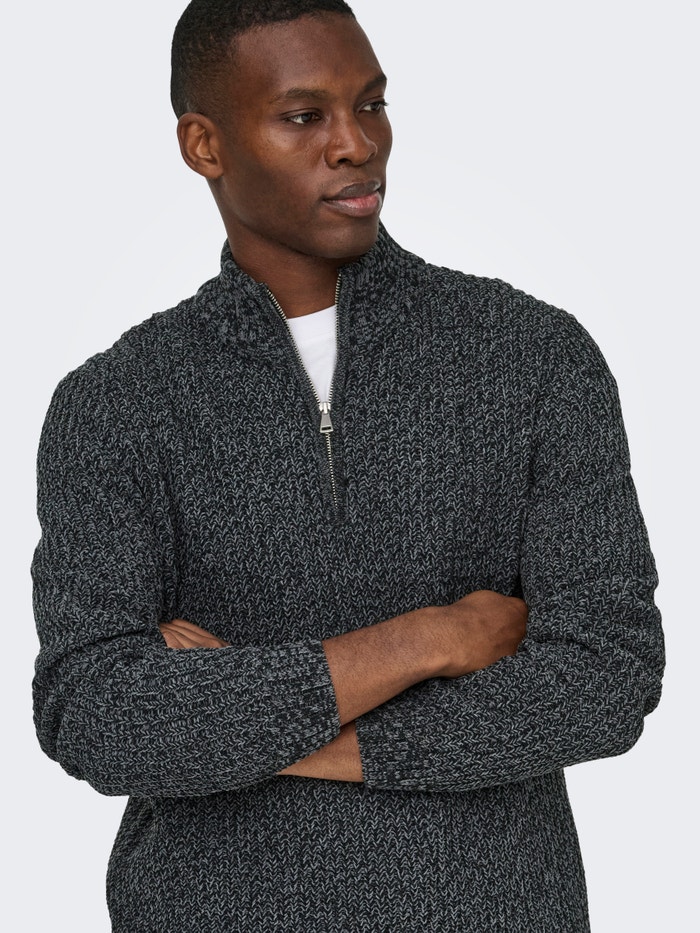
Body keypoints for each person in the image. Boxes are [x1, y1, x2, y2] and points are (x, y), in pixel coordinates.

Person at [31, 1, 664, 930]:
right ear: (205, 145)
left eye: (371, 105)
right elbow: (94, 713)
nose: (357, 145)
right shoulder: (116, 403)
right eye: (304, 116)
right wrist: (428, 640)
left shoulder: (533, 356)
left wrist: (255, 724)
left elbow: (606, 679)